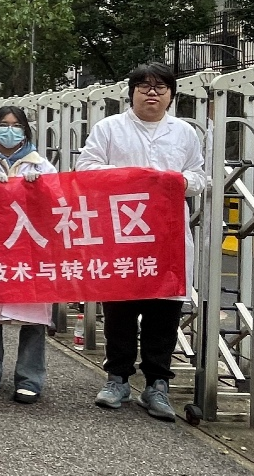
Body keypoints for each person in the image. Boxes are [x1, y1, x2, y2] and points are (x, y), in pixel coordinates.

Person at [77, 62, 208, 422]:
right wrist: (132, 176)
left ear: (171, 95)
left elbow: (199, 177)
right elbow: (86, 169)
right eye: (144, 86)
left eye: (160, 87)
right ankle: (117, 379)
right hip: (122, 235)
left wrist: (177, 180)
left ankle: (156, 385)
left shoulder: (184, 133)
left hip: (167, 237)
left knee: (163, 313)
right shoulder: (109, 128)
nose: (152, 93)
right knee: (120, 310)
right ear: (131, 92)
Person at [0, 106, 56, 404]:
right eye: (4, 124)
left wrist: (40, 190)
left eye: (16, 125)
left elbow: (58, 205)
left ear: (25, 130)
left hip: (30, 250)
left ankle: (30, 378)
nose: (10, 130)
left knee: (33, 318)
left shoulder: (41, 165)